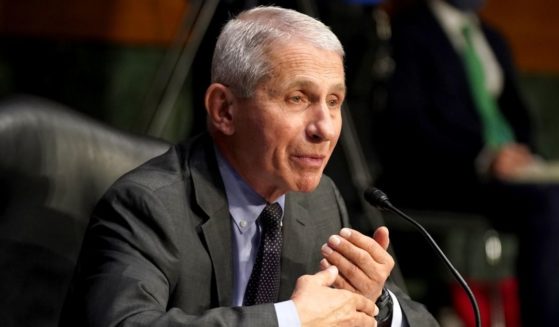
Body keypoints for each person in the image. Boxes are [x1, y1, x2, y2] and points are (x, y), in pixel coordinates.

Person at [59, 6, 438, 327]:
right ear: (224, 110)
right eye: (297, 98)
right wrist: (289, 319)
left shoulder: (320, 201)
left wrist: (381, 304)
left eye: (335, 101)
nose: (324, 128)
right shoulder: (146, 206)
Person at [374, 0, 559, 325]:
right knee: (546, 203)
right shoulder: (409, 31)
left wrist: (523, 152)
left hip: (512, 169)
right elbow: (407, 126)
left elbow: (517, 112)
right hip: (449, 174)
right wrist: (483, 157)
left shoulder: (491, 36)